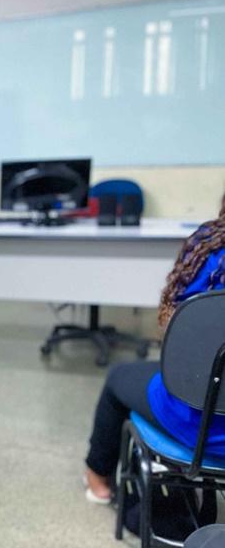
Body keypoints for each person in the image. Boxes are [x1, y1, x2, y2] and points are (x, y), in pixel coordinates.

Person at [83, 199, 225, 504]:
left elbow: (179, 336)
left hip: (203, 426)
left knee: (118, 377)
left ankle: (97, 480)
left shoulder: (210, 247)